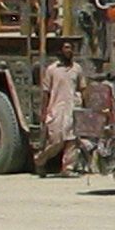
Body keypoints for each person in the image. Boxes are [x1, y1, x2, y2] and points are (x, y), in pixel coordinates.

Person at [36, 45, 81, 177]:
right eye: (66, 48)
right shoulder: (52, 70)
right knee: (56, 140)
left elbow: (82, 88)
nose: (69, 50)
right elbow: (46, 92)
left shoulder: (77, 69)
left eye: (70, 48)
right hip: (56, 109)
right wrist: (43, 111)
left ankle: (68, 168)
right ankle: (40, 159)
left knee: (72, 140)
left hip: (72, 108)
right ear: (60, 51)